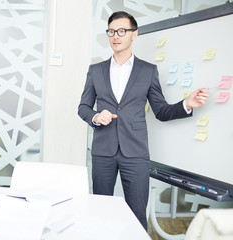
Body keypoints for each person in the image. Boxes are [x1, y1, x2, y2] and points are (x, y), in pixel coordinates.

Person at [78, 11, 209, 230]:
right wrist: (95, 116)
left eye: (122, 31)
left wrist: (187, 103)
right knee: (100, 213)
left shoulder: (148, 71)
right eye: (111, 31)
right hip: (103, 152)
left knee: (137, 214)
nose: (115, 36)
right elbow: (83, 107)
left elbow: (161, 111)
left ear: (134, 34)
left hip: (136, 153)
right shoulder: (96, 71)